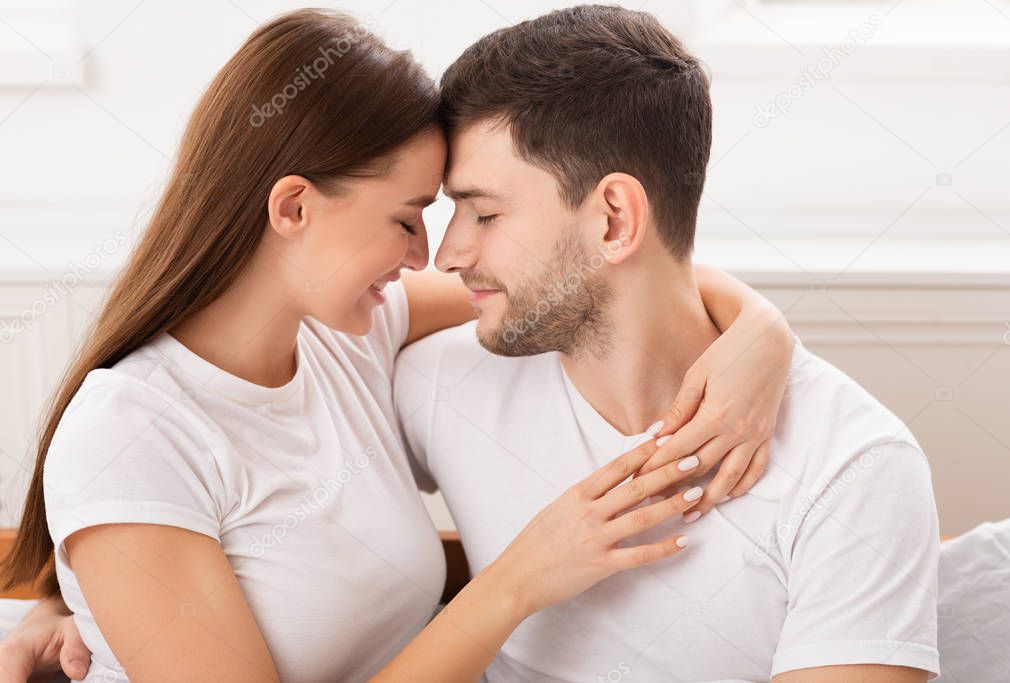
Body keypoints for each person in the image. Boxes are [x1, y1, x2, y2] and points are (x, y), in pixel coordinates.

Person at [0, 9, 795, 682]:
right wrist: (521, 579)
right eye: (407, 217)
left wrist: (761, 335)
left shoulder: (347, 334)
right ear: (293, 208)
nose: (430, 254)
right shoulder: (133, 430)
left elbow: (600, 269)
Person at [392, 5, 940, 682]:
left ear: (615, 218)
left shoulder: (852, 467)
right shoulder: (434, 386)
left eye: (486, 213)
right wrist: (760, 322)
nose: (447, 253)